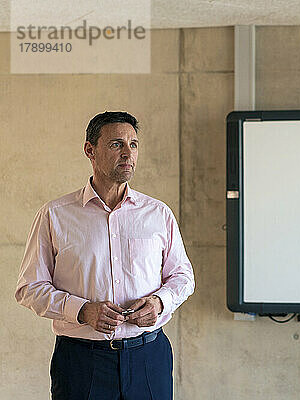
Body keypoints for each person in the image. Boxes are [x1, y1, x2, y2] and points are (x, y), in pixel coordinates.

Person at [15, 111, 195, 400]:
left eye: (133, 145)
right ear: (90, 150)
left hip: (149, 357)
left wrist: (160, 302)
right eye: (116, 144)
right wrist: (83, 311)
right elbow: (29, 289)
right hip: (81, 363)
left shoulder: (158, 214)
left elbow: (183, 276)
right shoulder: (55, 215)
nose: (128, 153)